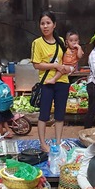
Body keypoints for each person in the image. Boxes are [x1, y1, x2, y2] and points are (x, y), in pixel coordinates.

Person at [31, 11, 70, 152]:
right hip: (46, 82)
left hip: (63, 81)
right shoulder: (37, 43)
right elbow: (36, 64)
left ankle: (58, 142)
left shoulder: (60, 41)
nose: (45, 26)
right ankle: (43, 144)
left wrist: (65, 66)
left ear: (54, 25)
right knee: (44, 115)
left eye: (48, 23)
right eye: (42, 23)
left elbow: (68, 58)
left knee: (60, 115)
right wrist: (54, 65)